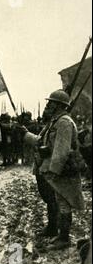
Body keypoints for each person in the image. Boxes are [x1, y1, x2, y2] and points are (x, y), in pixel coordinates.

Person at [22, 90, 85, 250]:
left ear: (58, 105)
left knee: (63, 203)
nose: (48, 105)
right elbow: (42, 142)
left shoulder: (63, 122)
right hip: (55, 170)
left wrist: (53, 173)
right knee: (58, 201)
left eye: (51, 103)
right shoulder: (55, 121)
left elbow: (61, 151)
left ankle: (64, 238)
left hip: (61, 172)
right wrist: (26, 135)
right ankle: (57, 232)